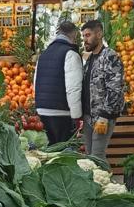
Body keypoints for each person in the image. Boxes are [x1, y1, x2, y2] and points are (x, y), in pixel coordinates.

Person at [80, 19, 125, 161]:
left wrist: (105, 115)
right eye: (83, 36)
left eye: (88, 35)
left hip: (102, 116)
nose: (85, 40)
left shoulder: (109, 56)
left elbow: (115, 88)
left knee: (97, 156)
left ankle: (106, 176)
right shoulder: (90, 59)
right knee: (89, 156)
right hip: (88, 116)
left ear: (99, 34)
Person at [33, 20, 83, 145]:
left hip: (42, 111)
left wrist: (39, 106)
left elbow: (35, 83)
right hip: (62, 113)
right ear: (74, 35)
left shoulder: (43, 55)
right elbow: (73, 88)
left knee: (49, 151)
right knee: (63, 151)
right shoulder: (70, 54)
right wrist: (77, 116)